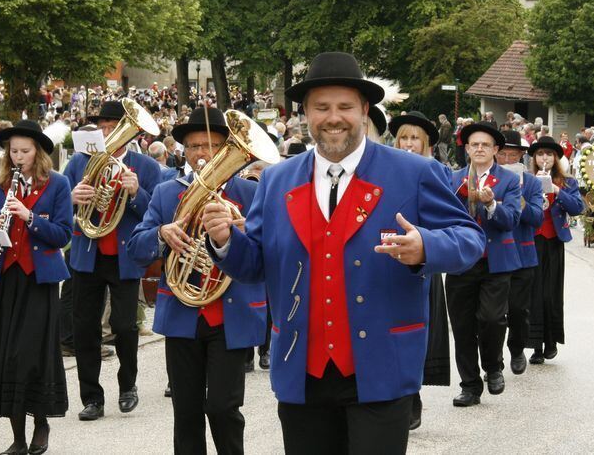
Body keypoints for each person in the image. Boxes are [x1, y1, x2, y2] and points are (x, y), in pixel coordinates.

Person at [205, 52, 485, 455]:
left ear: (364, 111)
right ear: (305, 113)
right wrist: (225, 242)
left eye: (344, 107)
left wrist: (427, 246)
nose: (333, 117)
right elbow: (256, 265)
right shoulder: (277, 179)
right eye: (321, 107)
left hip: (382, 365)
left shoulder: (413, 172)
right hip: (302, 368)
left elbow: (470, 239)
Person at [128, 106, 263, 455]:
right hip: (182, 315)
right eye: (193, 146)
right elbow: (136, 249)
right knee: (186, 413)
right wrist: (161, 233)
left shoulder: (249, 194)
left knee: (222, 408)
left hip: (231, 316)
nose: (201, 153)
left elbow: (267, 253)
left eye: (211, 145)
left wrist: (240, 234)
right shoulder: (166, 193)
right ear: (184, 151)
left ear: (226, 149)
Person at [0, 120, 72, 455]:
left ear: (38, 152)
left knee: (32, 355)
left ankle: (41, 422)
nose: (18, 157)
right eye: (13, 151)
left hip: (39, 281)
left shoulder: (58, 183)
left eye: (25, 151)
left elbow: (63, 235)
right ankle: (17, 437)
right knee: (7, 355)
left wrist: (30, 218)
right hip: (6, 279)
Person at [65, 100, 162, 421]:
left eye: (113, 127)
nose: (108, 133)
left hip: (125, 257)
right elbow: (62, 202)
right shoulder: (80, 161)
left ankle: (127, 386)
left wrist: (136, 193)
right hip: (87, 256)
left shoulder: (145, 167)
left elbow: (155, 214)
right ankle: (92, 397)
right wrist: (72, 198)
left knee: (124, 325)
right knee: (85, 328)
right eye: (103, 127)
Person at [446, 122, 522, 407]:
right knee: (462, 326)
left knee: (491, 318)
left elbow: (511, 220)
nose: (479, 148)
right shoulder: (453, 179)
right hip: (461, 261)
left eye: (485, 145)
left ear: (495, 150)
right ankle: (469, 385)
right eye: (474, 144)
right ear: (467, 149)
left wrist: (492, 205)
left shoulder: (509, 180)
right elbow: (443, 216)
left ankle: (493, 366)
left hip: (496, 262)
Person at [388, 111, 450, 429]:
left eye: (415, 138)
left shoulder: (435, 171)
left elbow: (446, 221)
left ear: (425, 144)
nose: (409, 144)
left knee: (415, 332)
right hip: (386, 259)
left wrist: (424, 241)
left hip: (421, 263)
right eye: (404, 138)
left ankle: (412, 394)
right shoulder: (382, 170)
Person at [527, 135, 585, 364]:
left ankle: (550, 341)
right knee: (533, 293)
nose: (544, 158)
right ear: (534, 158)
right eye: (540, 154)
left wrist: (557, 191)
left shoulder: (567, 182)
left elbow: (578, 208)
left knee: (551, 293)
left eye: (549, 154)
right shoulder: (527, 179)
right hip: (532, 241)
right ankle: (536, 346)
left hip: (553, 242)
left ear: (556, 158)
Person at [495, 130, 544, 376]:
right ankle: (493, 361)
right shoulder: (489, 179)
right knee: (493, 314)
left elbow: (537, 218)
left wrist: (519, 199)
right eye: (502, 154)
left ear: (521, 156)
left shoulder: (532, 183)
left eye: (512, 155)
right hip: (495, 254)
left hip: (522, 255)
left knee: (518, 309)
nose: (507, 160)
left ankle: (516, 349)